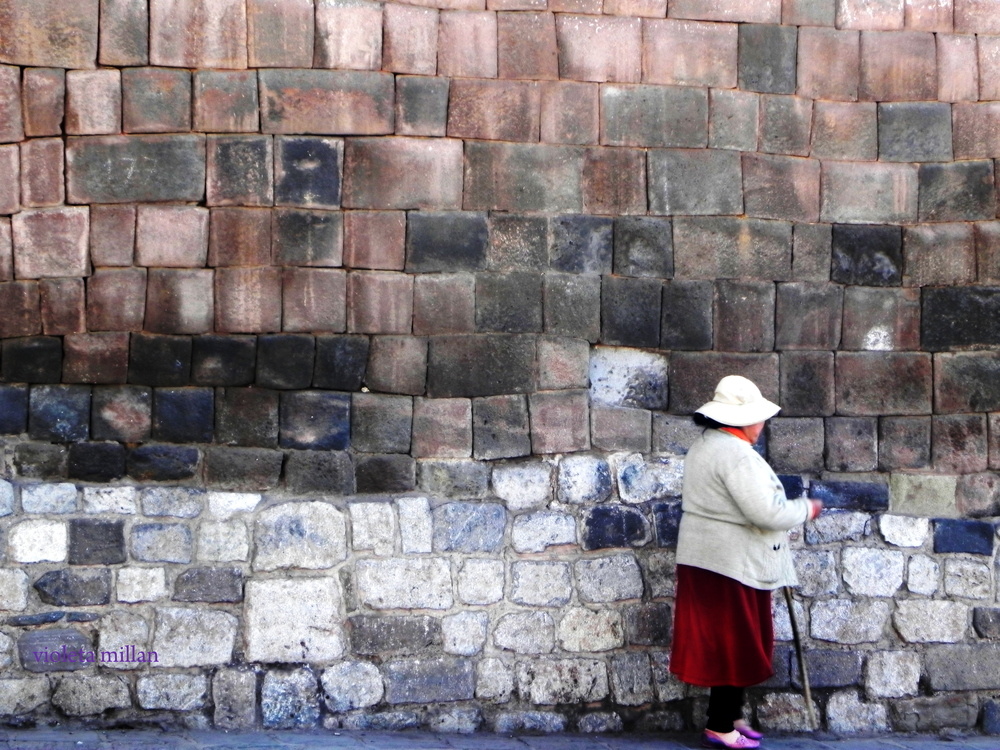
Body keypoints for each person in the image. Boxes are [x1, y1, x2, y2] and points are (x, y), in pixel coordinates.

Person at [669, 376, 822, 750]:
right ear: (740, 421)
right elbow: (766, 513)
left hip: (712, 561)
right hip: (728, 564)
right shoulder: (735, 454)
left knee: (730, 638)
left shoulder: (706, 445)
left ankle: (732, 714)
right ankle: (720, 725)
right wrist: (806, 509)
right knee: (732, 642)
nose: (762, 425)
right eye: (758, 418)